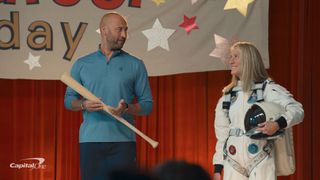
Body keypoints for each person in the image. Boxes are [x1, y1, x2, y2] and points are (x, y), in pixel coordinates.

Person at [64, 12, 153, 180]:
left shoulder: (136, 64)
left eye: (126, 30)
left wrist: (126, 108)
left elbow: (147, 105)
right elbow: (68, 100)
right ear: (104, 30)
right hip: (90, 142)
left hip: (124, 143)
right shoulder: (82, 64)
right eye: (119, 30)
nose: (124, 35)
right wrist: (84, 105)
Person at [212, 42, 304, 180]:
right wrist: (218, 168)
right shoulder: (227, 97)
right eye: (230, 57)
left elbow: (296, 110)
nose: (231, 61)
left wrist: (277, 124)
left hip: (260, 159)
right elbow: (222, 136)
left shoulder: (267, 89)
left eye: (236, 56)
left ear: (249, 59)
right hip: (232, 162)